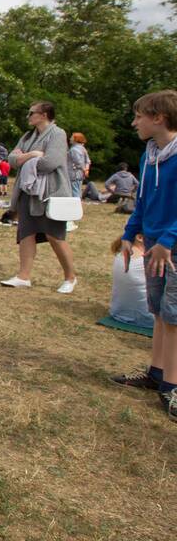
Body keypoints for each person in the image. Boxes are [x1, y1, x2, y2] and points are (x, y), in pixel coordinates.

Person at [110, 90, 177, 422]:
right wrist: (128, 233)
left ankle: (173, 386)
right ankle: (157, 372)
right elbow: (144, 201)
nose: (134, 122)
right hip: (153, 241)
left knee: (175, 315)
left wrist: (168, 239)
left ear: (158, 117)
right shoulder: (149, 155)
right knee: (159, 312)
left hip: (171, 245)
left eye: (139, 116)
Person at [0, 101, 77, 293]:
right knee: (26, 234)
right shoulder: (28, 136)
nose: (28, 116)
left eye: (31, 113)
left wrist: (24, 157)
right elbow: (11, 159)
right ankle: (23, 276)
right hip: (28, 192)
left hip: (51, 193)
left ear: (44, 115)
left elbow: (51, 162)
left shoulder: (57, 134)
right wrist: (33, 155)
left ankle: (70, 277)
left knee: (55, 236)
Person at [107, 236, 153, 329]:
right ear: (140, 238)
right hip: (149, 319)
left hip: (118, 312)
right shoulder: (147, 260)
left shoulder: (121, 254)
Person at [68, 132, 91, 200]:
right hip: (80, 174)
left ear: (76, 139)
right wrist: (86, 170)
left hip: (73, 174)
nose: (70, 139)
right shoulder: (83, 149)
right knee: (78, 190)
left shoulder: (73, 149)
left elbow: (78, 162)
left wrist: (84, 169)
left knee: (74, 191)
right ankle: (78, 206)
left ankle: (76, 207)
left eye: (72, 137)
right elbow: (88, 161)